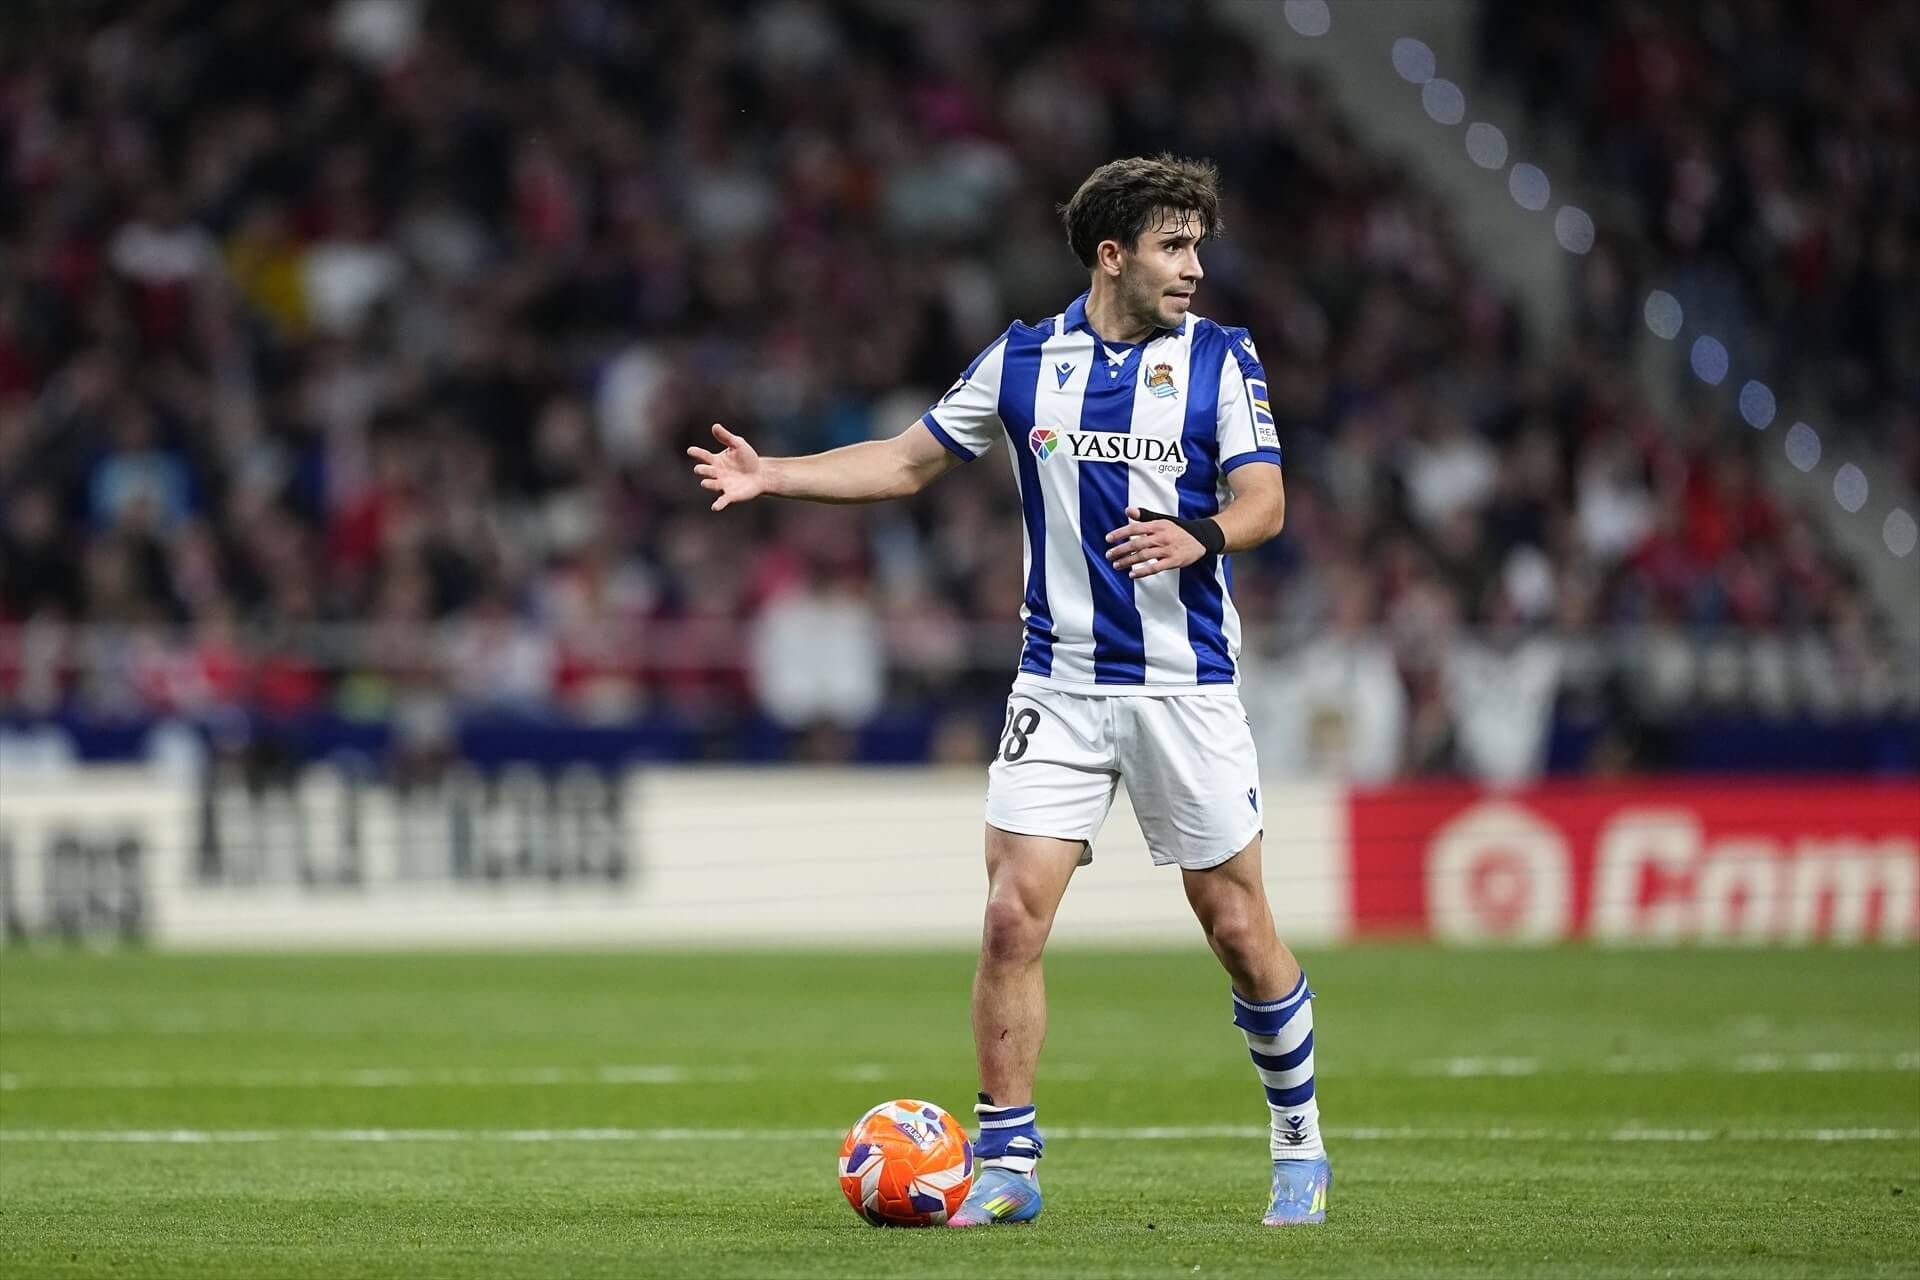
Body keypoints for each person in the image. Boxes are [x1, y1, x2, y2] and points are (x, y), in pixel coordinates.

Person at [687, 155, 1328, 1228]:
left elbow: (1265, 500)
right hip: (1059, 687)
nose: (1197, 268)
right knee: (1008, 917)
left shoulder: (1222, 358)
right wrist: (775, 473)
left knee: (1235, 923)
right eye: (1176, 246)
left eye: (1199, 246)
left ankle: (1299, 1137)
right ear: (1113, 254)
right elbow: (904, 462)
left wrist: (1198, 531)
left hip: (1186, 687)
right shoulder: (1025, 361)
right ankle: (1009, 1163)